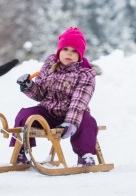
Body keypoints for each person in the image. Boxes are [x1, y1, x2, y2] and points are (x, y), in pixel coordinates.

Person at [12, 26, 99, 167]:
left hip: (73, 114)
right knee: (25, 115)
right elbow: (40, 94)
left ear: (80, 55)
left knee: (88, 123)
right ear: (59, 51)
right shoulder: (49, 67)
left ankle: (86, 155)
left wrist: (70, 122)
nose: (68, 54)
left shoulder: (85, 74)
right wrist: (28, 86)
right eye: (65, 49)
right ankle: (21, 152)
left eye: (74, 51)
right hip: (48, 112)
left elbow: (79, 102)